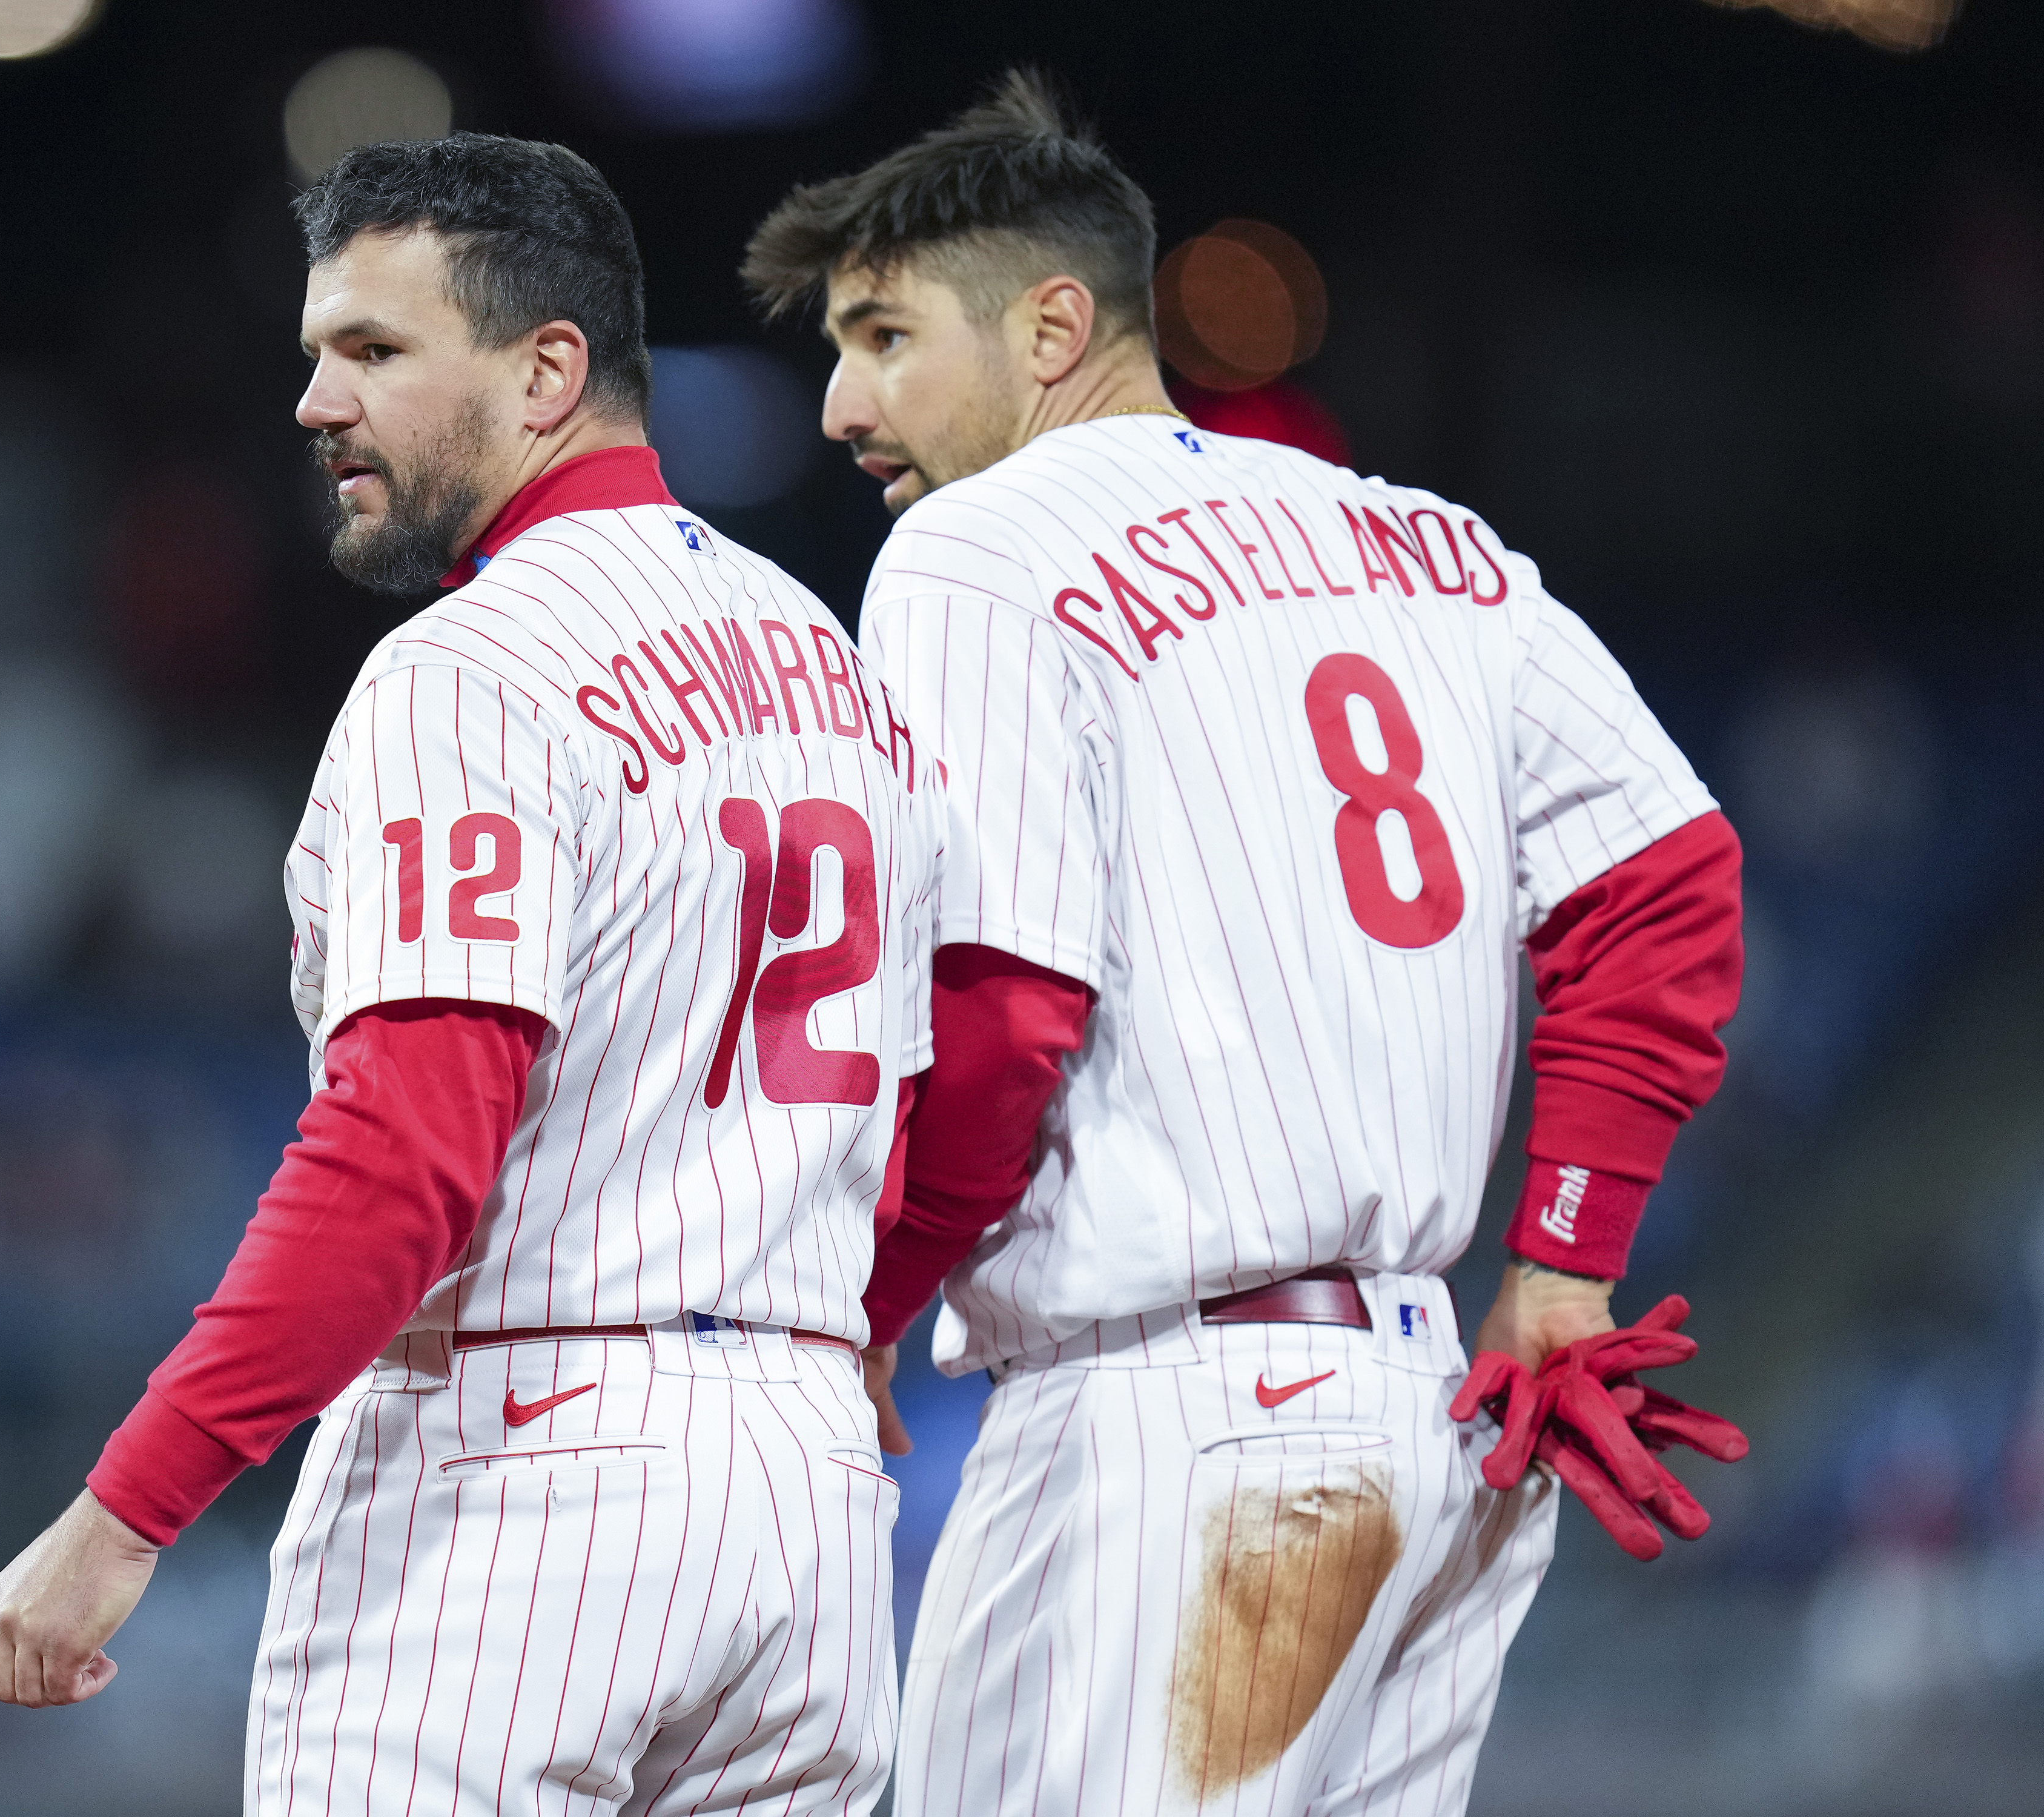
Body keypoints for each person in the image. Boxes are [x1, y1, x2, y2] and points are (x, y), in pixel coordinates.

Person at [743, 73, 1745, 1817]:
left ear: (1052, 326)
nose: (840, 404)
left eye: (884, 335)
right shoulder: (1426, 541)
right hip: (1431, 1430)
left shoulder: (979, 551)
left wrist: (857, 1311)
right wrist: (1565, 1254)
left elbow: (998, 1012)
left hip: (1170, 1435)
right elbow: (1661, 876)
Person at [0, 132, 943, 1817]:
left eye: (372, 349)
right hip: (805, 1483)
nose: (315, 404)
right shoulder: (827, 657)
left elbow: (400, 1162)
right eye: (312, 355)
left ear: (547, 370)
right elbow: (923, 1085)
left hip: (527, 1461)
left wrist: (121, 1513)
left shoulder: (473, 668)